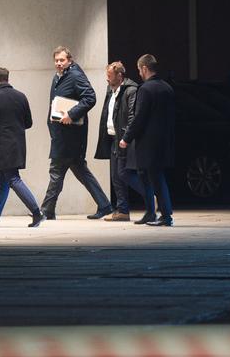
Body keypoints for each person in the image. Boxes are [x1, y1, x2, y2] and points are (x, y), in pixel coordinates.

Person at [40, 46, 112, 220]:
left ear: (69, 60)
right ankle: (105, 205)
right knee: (80, 170)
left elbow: (90, 97)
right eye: (56, 60)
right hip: (61, 134)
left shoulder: (75, 75)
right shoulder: (58, 77)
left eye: (62, 60)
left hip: (70, 136)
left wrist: (71, 114)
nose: (58, 63)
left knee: (56, 171)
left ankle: (46, 210)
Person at [0, 67, 45, 228]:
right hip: (19, 144)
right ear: (7, 79)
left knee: (13, 179)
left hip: (3, 146)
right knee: (4, 182)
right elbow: (28, 123)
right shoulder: (21, 96)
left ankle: (37, 213)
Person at [120, 54, 175, 226]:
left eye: (139, 69)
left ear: (144, 68)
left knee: (156, 178)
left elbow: (139, 117)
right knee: (145, 175)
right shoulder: (167, 88)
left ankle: (166, 216)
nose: (139, 73)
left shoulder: (145, 89)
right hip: (164, 139)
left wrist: (126, 138)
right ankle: (150, 212)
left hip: (148, 142)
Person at [94, 61, 150, 222]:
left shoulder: (130, 90)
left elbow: (132, 115)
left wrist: (127, 137)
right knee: (115, 177)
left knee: (124, 173)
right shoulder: (111, 90)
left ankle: (151, 195)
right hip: (112, 138)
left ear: (120, 75)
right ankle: (123, 210)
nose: (107, 79)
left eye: (110, 76)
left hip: (123, 138)